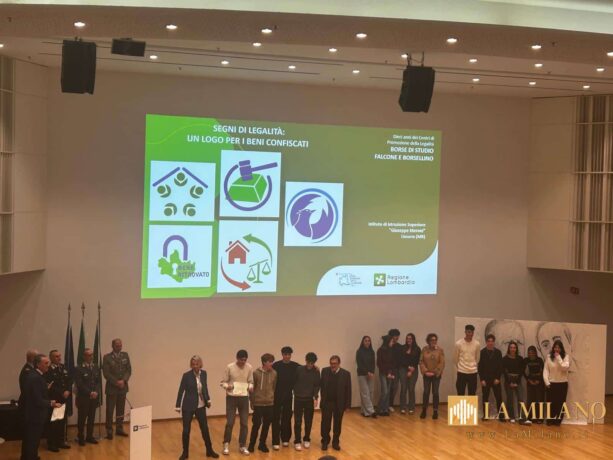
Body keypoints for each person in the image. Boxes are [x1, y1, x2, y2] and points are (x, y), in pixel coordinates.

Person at [175, 355, 219, 459]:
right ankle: (185, 453)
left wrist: (208, 399)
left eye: (197, 364)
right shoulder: (186, 375)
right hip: (188, 406)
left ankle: (209, 450)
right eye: (193, 364)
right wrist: (178, 405)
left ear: (200, 364)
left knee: (205, 429)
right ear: (191, 365)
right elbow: (181, 390)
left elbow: (205, 387)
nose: (195, 366)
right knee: (186, 430)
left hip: (201, 405)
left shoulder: (204, 374)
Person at [22, 354, 61, 460]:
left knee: (31, 440)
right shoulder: (35, 377)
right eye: (46, 363)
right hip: (35, 415)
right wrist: (51, 403)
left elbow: (36, 393)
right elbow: (37, 400)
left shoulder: (36, 375)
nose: (48, 365)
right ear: (38, 364)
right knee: (32, 441)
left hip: (34, 414)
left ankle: (30, 456)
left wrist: (45, 388)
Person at [220, 349, 254, 456]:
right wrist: (228, 386)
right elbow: (223, 382)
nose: (243, 362)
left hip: (244, 397)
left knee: (244, 423)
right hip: (231, 397)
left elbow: (251, 382)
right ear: (237, 358)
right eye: (241, 360)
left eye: (245, 360)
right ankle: (226, 444)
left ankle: (242, 445)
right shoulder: (230, 367)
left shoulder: (249, 367)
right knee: (230, 422)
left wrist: (250, 387)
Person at [319, 356, 351, 451]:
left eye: (335, 363)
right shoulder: (324, 371)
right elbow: (321, 385)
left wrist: (347, 405)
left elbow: (348, 390)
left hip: (339, 403)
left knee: (337, 424)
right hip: (327, 402)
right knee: (325, 424)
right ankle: (325, 441)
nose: (333, 365)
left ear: (339, 363)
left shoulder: (346, 374)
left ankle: (335, 442)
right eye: (331, 363)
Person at [102, 338, 132, 439]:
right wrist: (116, 382)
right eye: (117, 345)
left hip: (123, 387)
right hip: (112, 388)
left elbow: (128, 370)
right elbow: (106, 373)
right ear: (113, 346)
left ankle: (119, 429)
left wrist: (124, 380)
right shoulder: (107, 357)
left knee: (120, 410)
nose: (119, 347)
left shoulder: (125, 355)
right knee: (110, 410)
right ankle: (109, 430)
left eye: (120, 345)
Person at [272, 346, 299, 450]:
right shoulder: (276, 365)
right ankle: (275, 441)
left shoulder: (295, 366)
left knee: (287, 417)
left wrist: (315, 366)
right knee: (275, 418)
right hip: (277, 395)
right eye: (285, 354)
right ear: (282, 355)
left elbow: (306, 368)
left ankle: (285, 438)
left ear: (291, 355)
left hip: (288, 395)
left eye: (289, 354)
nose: (287, 356)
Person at [248, 353, 277, 454]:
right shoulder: (256, 373)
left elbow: (274, 387)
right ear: (264, 362)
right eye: (270, 362)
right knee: (256, 424)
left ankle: (262, 444)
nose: (271, 364)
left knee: (266, 425)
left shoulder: (274, 373)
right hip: (258, 403)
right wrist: (252, 401)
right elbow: (252, 389)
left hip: (269, 403)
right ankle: (251, 444)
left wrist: (271, 398)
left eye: (272, 361)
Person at [293, 352, 321, 451]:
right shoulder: (299, 369)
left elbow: (317, 385)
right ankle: (297, 441)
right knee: (297, 421)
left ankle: (306, 439)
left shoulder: (316, 371)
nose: (310, 365)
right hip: (298, 399)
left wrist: (316, 397)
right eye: (308, 362)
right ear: (306, 361)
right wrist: (296, 391)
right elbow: (294, 381)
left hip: (309, 400)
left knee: (308, 421)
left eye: (312, 363)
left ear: (314, 363)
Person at [45, 350, 72, 451]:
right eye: (56, 356)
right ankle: (52, 444)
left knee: (61, 421)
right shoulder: (48, 369)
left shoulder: (63, 367)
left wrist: (68, 390)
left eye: (59, 356)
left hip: (64, 399)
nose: (59, 358)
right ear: (51, 358)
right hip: (55, 399)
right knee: (53, 422)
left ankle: (60, 441)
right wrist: (62, 392)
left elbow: (69, 380)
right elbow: (49, 385)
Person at [75, 348, 102, 446]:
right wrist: (90, 392)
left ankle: (89, 436)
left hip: (94, 397)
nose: (91, 357)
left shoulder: (96, 367)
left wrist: (96, 392)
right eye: (89, 355)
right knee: (82, 418)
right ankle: (80, 436)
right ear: (84, 356)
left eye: (92, 355)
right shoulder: (79, 368)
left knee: (91, 418)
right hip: (84, 398)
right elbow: (79, 384)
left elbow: (98, 382)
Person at [543, 339, 570, 426]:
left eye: (558, 347)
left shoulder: (565, 356)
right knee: (551, 403)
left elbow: (564, 368)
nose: (557, 349)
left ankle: (558, 421)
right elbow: (546, 370)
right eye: (555, 347)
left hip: (562, 383)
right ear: (553, 348)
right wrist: (547, 382)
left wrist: (558, 357)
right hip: (551, 384)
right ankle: (550, 420)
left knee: (560, 403)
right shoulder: (548, 357)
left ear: (561, 348)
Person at [502, 341, 530, 425]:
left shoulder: (520, 359)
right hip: (508, 381)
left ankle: (522, 418)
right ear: (509, 349)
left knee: (521, 399)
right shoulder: (504, 359)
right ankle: (511, 417)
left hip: (518, 381)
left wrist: (517, 382)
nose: (512, 349)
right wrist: (510, 382)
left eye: (514, 347)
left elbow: (521, 371)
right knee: (510, 399)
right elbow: (504, 372)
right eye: (511, 347)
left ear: (516, 349)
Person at [18, 348, 38, 460]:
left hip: (31, 406)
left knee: (32, 435)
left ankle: (32, 455)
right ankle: (26, 456)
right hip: (28, 407)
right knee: (28, 434)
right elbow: (28, 391)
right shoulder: (27, 371)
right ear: (32, 358)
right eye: (37, 357)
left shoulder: (31, 370)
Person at [419, 333, 445, 420]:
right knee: (426, 392)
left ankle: (435, 411)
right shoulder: (424, 349)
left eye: (435, 340)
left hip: (436, 375)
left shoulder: (440, 350)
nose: (434, 341)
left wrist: (435, 372)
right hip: (426, 374)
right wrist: (425, 371)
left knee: (435, 392)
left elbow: (442, 363)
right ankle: (424, 410)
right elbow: (421, 361)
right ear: (428, 341)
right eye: (432, 340)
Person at [478, 334, 503, 421]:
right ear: (486, 342)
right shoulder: (482, 352)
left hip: (495, 379)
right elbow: (480, 367)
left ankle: (501, 416)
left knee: (499, 397)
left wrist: (498, 378)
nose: (490, 343)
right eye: (489, 341)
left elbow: (500, 366)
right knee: (485, 398)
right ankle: (485, 415)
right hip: (485, 380)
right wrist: (482, 379)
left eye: (492, 341)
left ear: (494, 342)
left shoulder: (498, 352)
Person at [454, 324, 480, 396]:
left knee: (472, 393)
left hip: (473, 372)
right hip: (461, 372)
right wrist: (460, 367)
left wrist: (473, 366)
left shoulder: (477, 344)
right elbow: (455, 358)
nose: (470, 334)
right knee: (460, 393)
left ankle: (470, 405)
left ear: (473, 333)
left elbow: (477, 358)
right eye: (468, 332)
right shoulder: (458, 343)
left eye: (471, 332)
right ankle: (461, 405)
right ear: (465, 332)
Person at [398, 333, 420, 415]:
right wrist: (408, 367)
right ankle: (402, 407)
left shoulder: (417, 349)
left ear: (413, 339)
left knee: (411, 389)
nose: (408, 340)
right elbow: (401, 360)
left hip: (414, 370)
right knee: (403, 388)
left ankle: (411, 408)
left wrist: (411, 370)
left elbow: (417, 360)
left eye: (410, 338)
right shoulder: (402, 348)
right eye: (407, 338)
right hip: (403, 369)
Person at [355, 336, 376, 418]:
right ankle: (371, 411)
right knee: (365, 393)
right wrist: (367, 372)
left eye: (369, 341)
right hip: (362, 374)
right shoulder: (359, 352)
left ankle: (364, 411)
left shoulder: (372, 352)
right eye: (366, 341)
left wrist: (372, 372)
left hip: (370, 374)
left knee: (370, 392)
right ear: (363, 342)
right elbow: (359, 364)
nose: (367, 342)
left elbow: (373, 363)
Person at [524, 345, 545, 424]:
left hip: (539, 383)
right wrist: (529, 380)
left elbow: (543, 371)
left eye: (532, 352)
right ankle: (530, 418)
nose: (531, 354)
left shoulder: (540, 360)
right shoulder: (526, 360)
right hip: (530, 383)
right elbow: (523, 372)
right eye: (529, 353)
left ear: (535, 352)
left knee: (539, 400)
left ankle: (539, 419)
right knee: (530, 401)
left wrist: (538, 381)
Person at [376, 335, 395, 416]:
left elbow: (393, 363)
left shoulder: (391, 350)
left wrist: (391, 373)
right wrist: (387, 373)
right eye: (391, 341)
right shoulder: (380, 350)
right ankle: (379, 409)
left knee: (388, 392)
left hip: (390, 373)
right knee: (385, 391)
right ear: (387, 342)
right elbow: (379, 364)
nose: (392, 343)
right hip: (383, 373)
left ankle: (385, 409)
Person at [387, 329, 401, 412]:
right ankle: (385, 404)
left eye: (398, 336)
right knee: (387, 388)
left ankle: (390, 404)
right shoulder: (386, 345)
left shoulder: (399, 346)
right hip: (388, 369)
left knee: (395, 387)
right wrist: (389, 347)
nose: (397, 337)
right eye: (395, 336)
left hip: (396, 370)